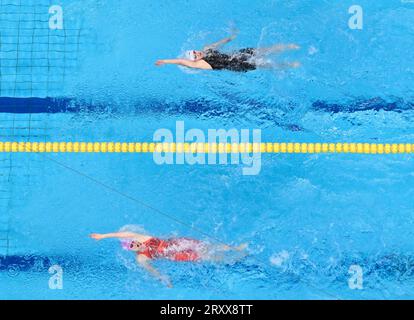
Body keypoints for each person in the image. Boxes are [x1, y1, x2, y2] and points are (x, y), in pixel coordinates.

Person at [90, 231, 247, 287]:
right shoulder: (141, 258)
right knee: (207, 256)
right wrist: (163, 279)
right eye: (133, 246)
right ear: (131, 249)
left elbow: (124, 234)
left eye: (134, 242)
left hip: (176, 243)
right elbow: (152, 270)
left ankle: (234, 249)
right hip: (176, 254)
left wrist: (103, 236)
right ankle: (232, 260)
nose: (136, 245)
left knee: (205, 245)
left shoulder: (142, 238)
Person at [155, 31, 300, 72]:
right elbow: (180, 61)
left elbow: (220, 43)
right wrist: (165, 61)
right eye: (194, 56)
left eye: (194, 51)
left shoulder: (206, 49)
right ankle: (289, 65)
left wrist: (230, 36)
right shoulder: (201, 64)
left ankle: (289, 46)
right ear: (193, 61)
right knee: (265, 64)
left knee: (261, 50)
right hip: (236, 65)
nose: (197, 54)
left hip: (237, 54)